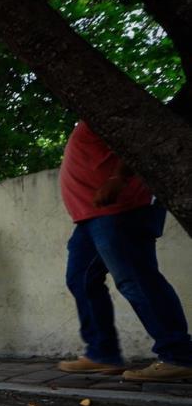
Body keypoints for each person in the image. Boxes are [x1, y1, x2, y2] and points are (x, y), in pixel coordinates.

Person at [57, 120, 192, 381]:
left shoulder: (105, 106)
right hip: (91, 215)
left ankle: (180, 356)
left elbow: (138, 138)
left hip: (120, 208)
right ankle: (102, 353)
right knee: (81, 279)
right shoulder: (86, 113)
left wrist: (120, 177)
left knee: (136, 279)